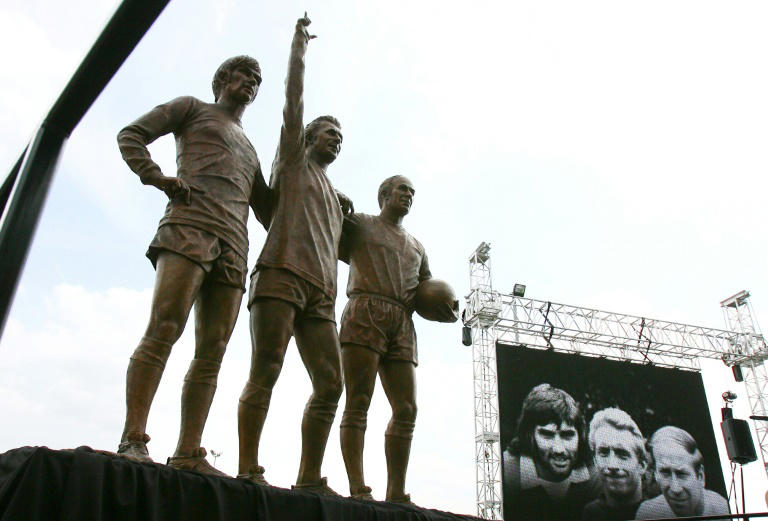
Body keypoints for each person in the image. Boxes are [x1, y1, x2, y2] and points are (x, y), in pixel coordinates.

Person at [115, 54, 270, 475]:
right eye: (246, 75)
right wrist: (156, 176)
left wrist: (321, 196)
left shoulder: (251, 149)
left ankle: (188, 450)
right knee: (165, 325)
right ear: (223, 78)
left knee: (213, 349)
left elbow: (270, 212)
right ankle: (133, 437)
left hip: (235, 244)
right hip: (191, 225)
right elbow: (131, 134)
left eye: (258, 80)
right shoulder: (192, 108)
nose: (253, 83)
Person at [236, 13, 351, 494]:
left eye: (341, 139)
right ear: (308, 137)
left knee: (331, 386)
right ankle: (246, 466)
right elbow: (293, 98)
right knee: (267, 367)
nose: (337, 141)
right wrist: (299, 46)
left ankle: (307, 476)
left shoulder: (333, 193)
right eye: (330, 133)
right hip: (281, 273)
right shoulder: (292, 157)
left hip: (321, 294)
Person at [337, 175, 456, 504]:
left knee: (406, 408)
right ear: (384, 194)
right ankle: (357, 486)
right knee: (358, 401)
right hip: (365, 310)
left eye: (412, 193)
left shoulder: (417, 246)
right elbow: (321, 222)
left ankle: (395, 491)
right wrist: (334, 197)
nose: (408, 196)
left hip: (402, 320)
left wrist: (444, 306)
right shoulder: (360, 224)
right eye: (403, 189)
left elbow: (426, 289)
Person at [502, 384, 598, 521]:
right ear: (530, 436)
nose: (559, 449)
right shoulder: (506, 473)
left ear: (580, 436)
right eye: (547, 435)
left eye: (567, 435)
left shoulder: (596, 473)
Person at [635, 426, 729, 519]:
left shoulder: (723, 511)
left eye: (682, 474)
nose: (675, 489)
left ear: (700, 476)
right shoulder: (647, 513)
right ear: (655, 474)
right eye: (665, 473)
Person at [581, 408, 647, 521]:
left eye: (622, 454)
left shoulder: (662, 510)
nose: (612, 465)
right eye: (604, 453)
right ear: (595, 461)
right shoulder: (590, 515)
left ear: (642, 465)